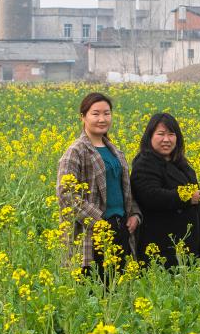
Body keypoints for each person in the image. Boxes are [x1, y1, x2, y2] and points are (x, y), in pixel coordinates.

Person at [56, 92, 141, 278]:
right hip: (92, 232)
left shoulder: (115, 151)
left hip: (121, 228)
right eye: (95, 114)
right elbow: (65, 195)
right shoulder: (76, 151)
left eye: (107, 113)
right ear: (83, 117)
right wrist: (98, 221)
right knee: (95, 288)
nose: (102, 119)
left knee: (118, 291)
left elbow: (125, 189)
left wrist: (134, 213)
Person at [130, 113, 200, 267]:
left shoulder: (180, 162)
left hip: (187, 240)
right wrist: (185, 197)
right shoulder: (145, 162)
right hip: (162, 243)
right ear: (150, 137)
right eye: (160, 134)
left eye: (171, 134)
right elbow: (150, 195)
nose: (166, 139)